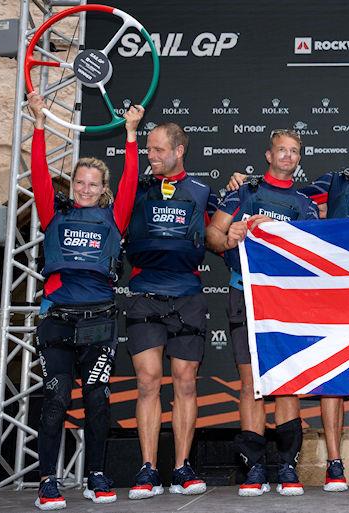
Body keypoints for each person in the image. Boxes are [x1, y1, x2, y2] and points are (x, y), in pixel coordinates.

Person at [227, 123, 349, 492]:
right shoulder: (332, 183)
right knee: (330, 374)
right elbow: (286, 194)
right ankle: (334, 464)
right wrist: (242, 185)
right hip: (335, 291)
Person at [28, 91, 143, 509]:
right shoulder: (53, 214)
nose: (86, 189)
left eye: (94, 184)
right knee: (56, 400)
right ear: (72, 185)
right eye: (80, 182)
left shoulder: (115, 217)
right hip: (58, 321)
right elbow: (39, 173)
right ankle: (47, 481)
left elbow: (131, 179)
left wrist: (131, 133)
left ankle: (96, 474)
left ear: (103, 188)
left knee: (97, 400)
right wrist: (39, 124)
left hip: (99, 322)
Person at [207, 129, 318, 496]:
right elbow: (213, 237)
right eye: (281, 150)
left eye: (294, 151)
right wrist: (231, 235)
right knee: (252, 384)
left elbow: (315, 254)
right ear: (268, 155)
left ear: (298, 159)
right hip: (245, 294)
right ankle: (253, 466)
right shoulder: (244, 192)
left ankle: (287, 465)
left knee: (286, 382)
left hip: (287, 300)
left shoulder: (304, 204)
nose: (287, 156)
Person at [122, 122, 213, 499]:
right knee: (146, 382)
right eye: (148, 149)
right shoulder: (137, 187)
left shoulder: (204, 192)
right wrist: (130, 134)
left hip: (187, 295)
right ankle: (147, 468)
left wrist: (242, 226)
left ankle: (181, 467)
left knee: (186, 383)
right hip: (145, 292)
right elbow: (130, 173)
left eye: (158, 150)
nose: (151, 155)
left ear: (178, 150)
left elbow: (217, 236)